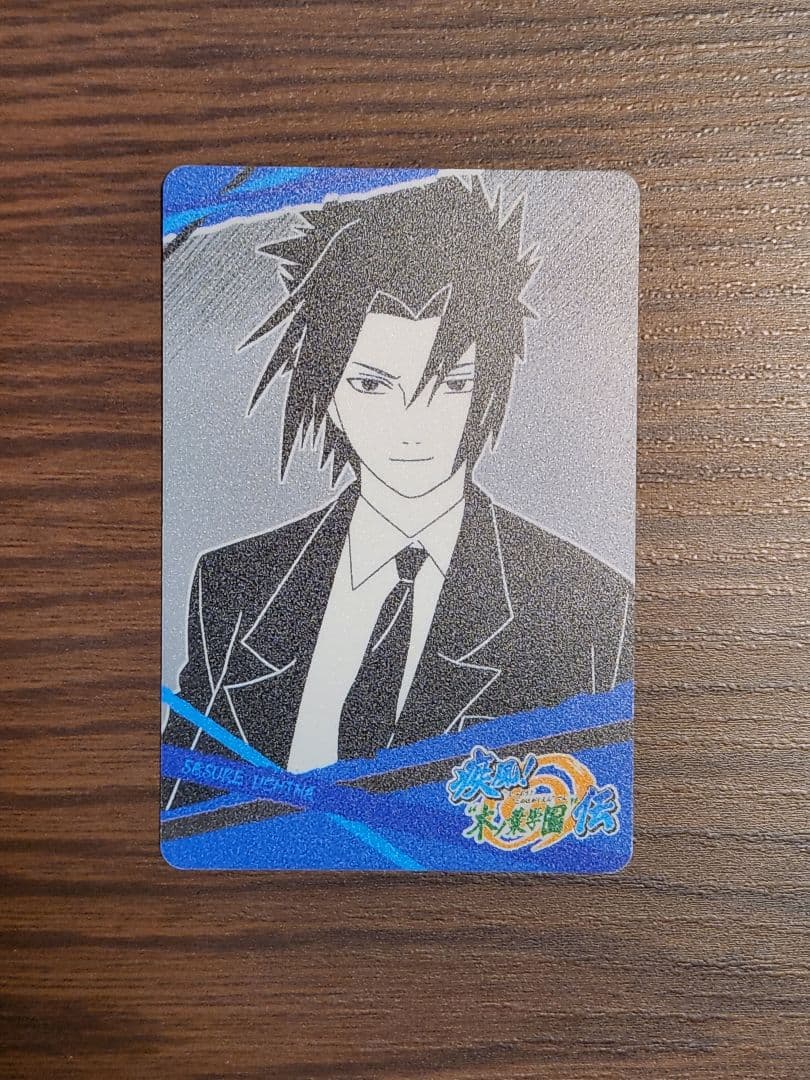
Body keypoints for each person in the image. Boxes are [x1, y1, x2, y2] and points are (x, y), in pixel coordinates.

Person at [162, 175, 632, 809]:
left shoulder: (592, 611)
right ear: (327, 392)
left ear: (488, 386)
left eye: (450, 383)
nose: (413, 424)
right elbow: (184, 813)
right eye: (372, 385)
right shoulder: (235, 587)